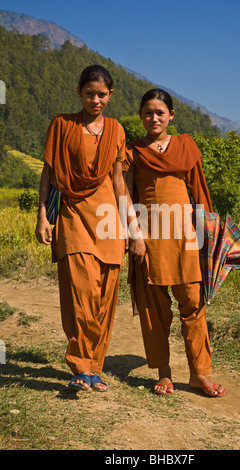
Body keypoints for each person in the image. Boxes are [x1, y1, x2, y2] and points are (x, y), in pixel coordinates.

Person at [123, 89, 226, 397]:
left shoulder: (185, 145)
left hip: (185, 233)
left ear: (171, 116)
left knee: (193, 302)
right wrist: (134, 236)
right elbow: (125, 196)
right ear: (141, 115)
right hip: (149, 234)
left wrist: (209, 234)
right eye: (148, 112)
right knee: (154, 307)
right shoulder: (132, 151)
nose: (153, 118)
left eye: (159, 112)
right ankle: (164, 373)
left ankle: (199, 373)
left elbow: (199, 193)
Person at [35, 65, 127, 392]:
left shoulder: (116, 130)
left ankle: (94, 369)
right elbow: (48, 174)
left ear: (110, 95)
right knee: (80, 290)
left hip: (107, 219)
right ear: (79, 92)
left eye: (102, 94)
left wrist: (130, 224)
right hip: (72, 215)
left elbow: (118, 181)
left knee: (104, 295)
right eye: (90, 93)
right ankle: (79, 365)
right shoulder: (62, 125)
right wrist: (43, 214)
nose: (96, 100)